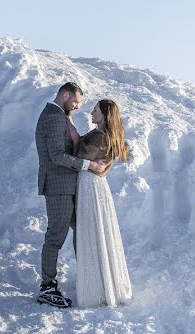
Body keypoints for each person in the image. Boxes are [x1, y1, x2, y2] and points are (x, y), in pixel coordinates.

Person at [35, 82, 107, 308]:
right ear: (64, 95)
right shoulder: (54, 118)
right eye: (75, 102)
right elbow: (57, 156)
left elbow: (72, 145)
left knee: (81, 231)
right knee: (55, 236)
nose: (77, 107)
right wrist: (89, 165)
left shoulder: (61, 116)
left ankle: (89, 278)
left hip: (68, 185)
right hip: (58, 186)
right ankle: (47, 287)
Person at [74, 99, 132, 307]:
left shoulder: (99, 136)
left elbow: (78, 155)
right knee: (102, 232)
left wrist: (73, 135)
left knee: (92, 233)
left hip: (89, 184)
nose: (91, 112)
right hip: (98, 185)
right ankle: (106, 282)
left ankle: (96, 287)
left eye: (96, 110)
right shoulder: (111, 136)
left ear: (105, 115)